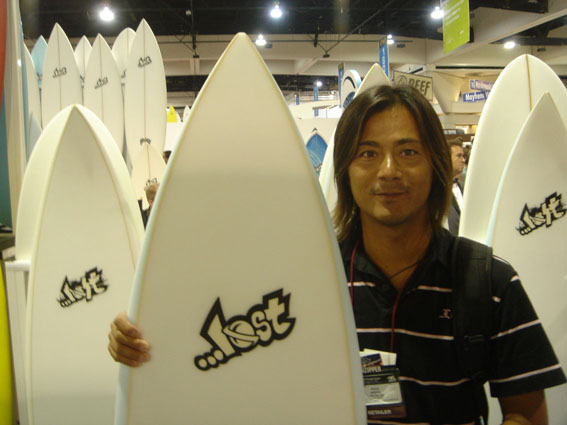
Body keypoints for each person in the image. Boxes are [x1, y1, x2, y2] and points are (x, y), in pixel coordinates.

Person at [109, 85, 565, 424]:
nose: (389, 171)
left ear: (436, 165)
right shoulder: (307, 278)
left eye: (408, 151)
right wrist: (142, 339)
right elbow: (221, 347)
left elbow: (526, 412)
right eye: (368, 154)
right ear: (345, 170)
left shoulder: (489, 281)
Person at [447, 138, 466, 234]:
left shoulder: (463, 187)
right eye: (459, 156)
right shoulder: (435, 191)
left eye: (463, 156)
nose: (463, 160)